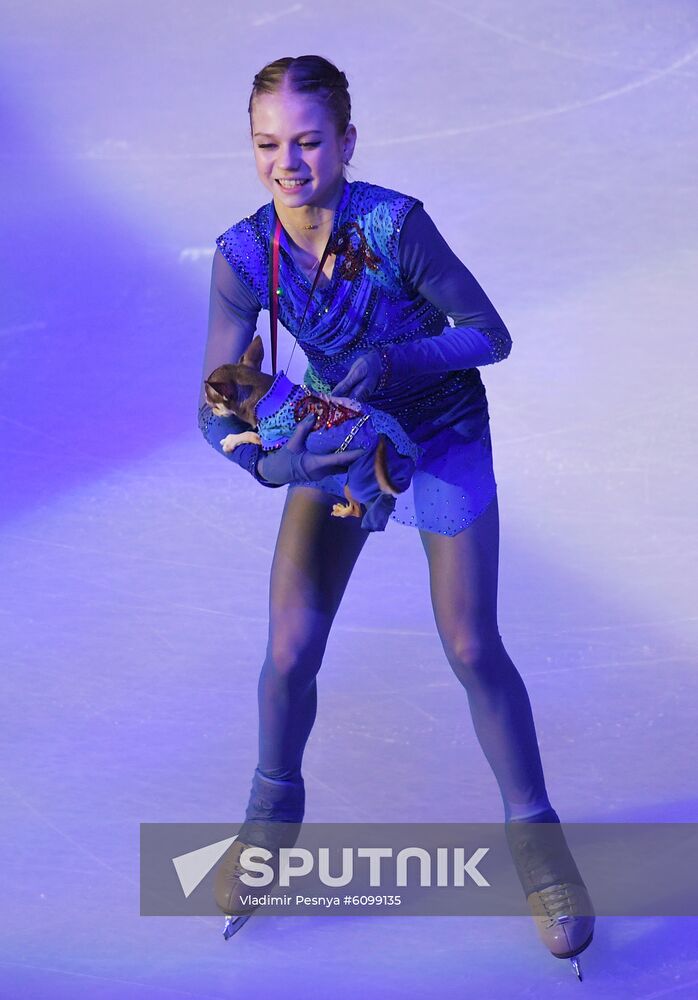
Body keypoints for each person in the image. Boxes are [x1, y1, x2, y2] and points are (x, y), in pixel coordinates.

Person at [197, 55, 594, 978]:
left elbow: (488, 333)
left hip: (443, 429)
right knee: (290, 648)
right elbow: (215, 397)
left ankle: (539, 841)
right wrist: (259, 456)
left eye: (306, 142)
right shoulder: (243, 253)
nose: (286, 164)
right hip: (340, 442)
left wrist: (395, 367)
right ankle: (270, 817)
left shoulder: (396, 224)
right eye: (267, 144)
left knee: (468, 643)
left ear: (344, 142)